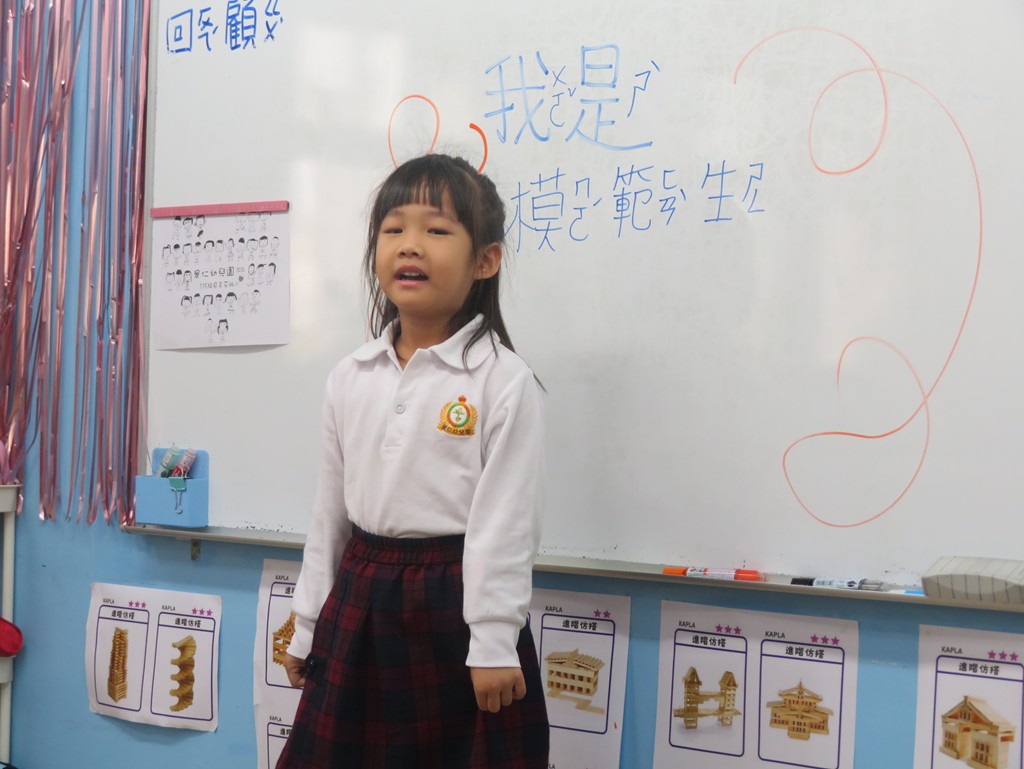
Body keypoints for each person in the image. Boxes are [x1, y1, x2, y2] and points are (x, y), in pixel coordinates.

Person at [276, 153, 549, 769]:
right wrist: (307, 623)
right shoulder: (351, 375)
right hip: (361, 596)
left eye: (437, 229)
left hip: (456, 606)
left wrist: (494, 641)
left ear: (485, 261)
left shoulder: (503, 380)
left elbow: (506, 525)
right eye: (393, 228)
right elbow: (329, 518)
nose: (410, 244)